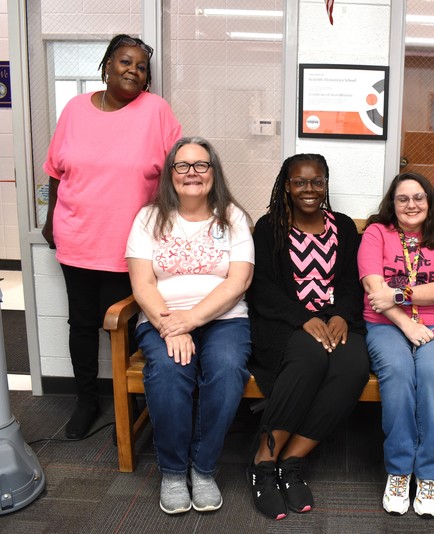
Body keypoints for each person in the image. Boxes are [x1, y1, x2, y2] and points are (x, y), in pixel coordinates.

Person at [42, 34, 182, 439]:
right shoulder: (73, 109)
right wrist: (51, 219)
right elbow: (56, 170)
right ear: (106, 65)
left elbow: (178, 171)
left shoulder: (156, 111)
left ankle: (135, 398)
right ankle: (87, 401)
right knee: (82, 324)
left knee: (131, 326)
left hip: (133, 246)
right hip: (78, 237)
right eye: (125, 62)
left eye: (141, 67)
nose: (132, 71)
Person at [125, 137, 254, 514]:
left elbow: (238, 282)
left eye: (201, 165)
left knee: (227, 371)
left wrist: (191, 321)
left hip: (224, 318)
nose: (192, 173)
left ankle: (203, 468)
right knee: (168, 371)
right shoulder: (148, 218)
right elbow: (142, 284)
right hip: (162, 317)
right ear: (170, 174)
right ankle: (172, 470)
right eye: (182, 166)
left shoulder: (232, 217)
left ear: (213, 173)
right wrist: (171, 326)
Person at [246, 154, 370, 520]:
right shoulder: (269, 228)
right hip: (282, 322)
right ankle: (263, 462)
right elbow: (263, 289)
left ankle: (292, 462)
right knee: (310, 357)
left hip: (334, 320)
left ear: (326, 184)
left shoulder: (344, 228)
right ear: (287, 186)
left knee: (353, 364)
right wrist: (303, 318)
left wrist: (341, 317)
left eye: (317, 181)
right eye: (300, 182)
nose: (309, 189)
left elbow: (350, 283)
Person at [358, 172, 434, 518]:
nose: (411, 204)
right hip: (385, 325)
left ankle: (429, 473)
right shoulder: (376, 233)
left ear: (429, 202)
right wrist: (406, 322)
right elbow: (374, 289)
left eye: (419, 197)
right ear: (392, 203)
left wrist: (399, 294)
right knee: (398, 372)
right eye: (403, 198)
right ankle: (400, 469)